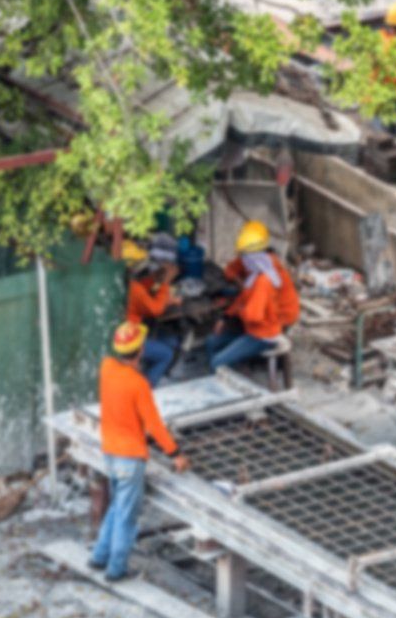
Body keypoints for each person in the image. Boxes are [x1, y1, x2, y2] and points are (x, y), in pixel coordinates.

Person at [90, 321, 190, 582]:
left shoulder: (106, 368)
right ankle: (116, 569)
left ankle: (99, 555)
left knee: (115, 507)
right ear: (141, 350)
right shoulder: (138, 384)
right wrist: (175, 453)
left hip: (109, 450)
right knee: (127, 516)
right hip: (130, 456)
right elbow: (154, 424)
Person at [208, 220, 299, 372]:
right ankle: (227, 371)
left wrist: (240, 310)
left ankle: (226, 381)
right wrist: (226, 316)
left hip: (263, 333)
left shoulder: (263, 281)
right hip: (257, 328)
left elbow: (252, 315)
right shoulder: (256, 273)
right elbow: (243, 296)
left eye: (243, 256)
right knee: (211, 342)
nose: (241, 259)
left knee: (217, 362)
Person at [123, 241, 179, 386]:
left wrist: (158, 278)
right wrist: (165, 282)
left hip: (132, 330)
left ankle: (154, 372)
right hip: (132, 338)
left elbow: (145, 286)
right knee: (167, 354)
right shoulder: (134, 289)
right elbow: (156, 310)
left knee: (172, 341)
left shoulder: (129, 283)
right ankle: (147, 386)